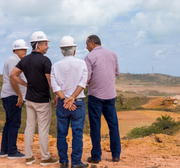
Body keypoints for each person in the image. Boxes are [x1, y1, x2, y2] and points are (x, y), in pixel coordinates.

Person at [10, 31, 59, 166]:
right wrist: (55, 95)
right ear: (39, 45)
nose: (47, 47)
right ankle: (45, 158)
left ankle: (29, 157)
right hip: (42, 100)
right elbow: (50, 81)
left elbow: (13, 75)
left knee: (29, 127)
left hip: (30, 99)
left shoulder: (24, 60)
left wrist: (26, 84)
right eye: (46, 44)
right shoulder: (45, 60)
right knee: (43, 129)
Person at [51, 36, 88, 168]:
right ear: (74, 50)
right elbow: (83, 82)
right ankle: (76, 162)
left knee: (61, 133)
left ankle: (64, 162)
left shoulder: (55, 66)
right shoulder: (81, 63)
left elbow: (55, 86)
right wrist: (72, 98)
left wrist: (65, 100)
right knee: (77, 133)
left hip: (62, 104)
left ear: (62, 51)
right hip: (77, 103)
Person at [84, 35, 121, 163]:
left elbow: (87, 77)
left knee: (95, 125)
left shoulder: (89, 57)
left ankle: (96, 156)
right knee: (113, 125)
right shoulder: (113, 54)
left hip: (95, 95)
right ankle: (116, 155)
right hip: (110, 95)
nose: (86, 47)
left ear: (92, 43)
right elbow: (116, 72)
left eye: (87, 44)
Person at [0, 39, 28, 159]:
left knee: (10, 122)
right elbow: (13, 79)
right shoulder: (13, 60)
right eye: (23, 49)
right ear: (16, 49)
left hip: (9, 95)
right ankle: (12, 151)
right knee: (14, 123)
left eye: (26, 49)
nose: (25, 51)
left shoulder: (13, 59)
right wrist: (20, 96)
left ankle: (4, 150)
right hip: (12, 96)